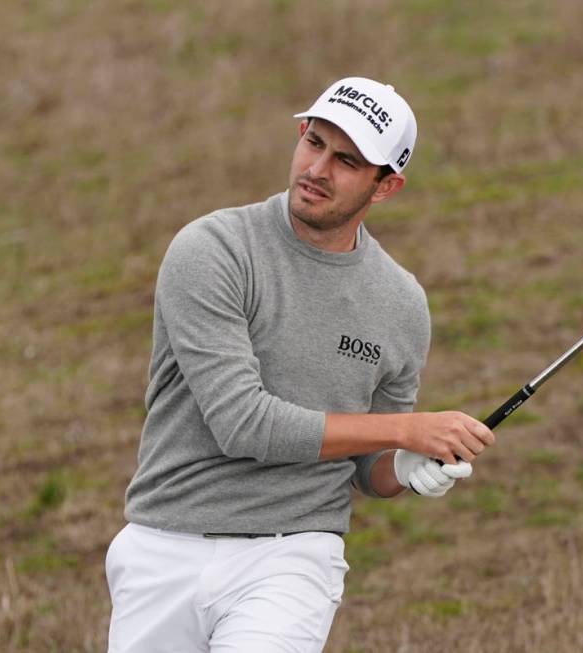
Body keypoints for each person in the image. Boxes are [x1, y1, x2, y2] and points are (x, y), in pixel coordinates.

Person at [105, 76, 495, 652]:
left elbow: (368, 468)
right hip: (166, 543)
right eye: (314, 143)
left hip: (291, 553)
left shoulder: (401, 304)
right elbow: (244, 424)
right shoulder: (212, 249)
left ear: (385, 187)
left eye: (346, 160)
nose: (317, 169)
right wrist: (406, 430)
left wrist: (408, 468)